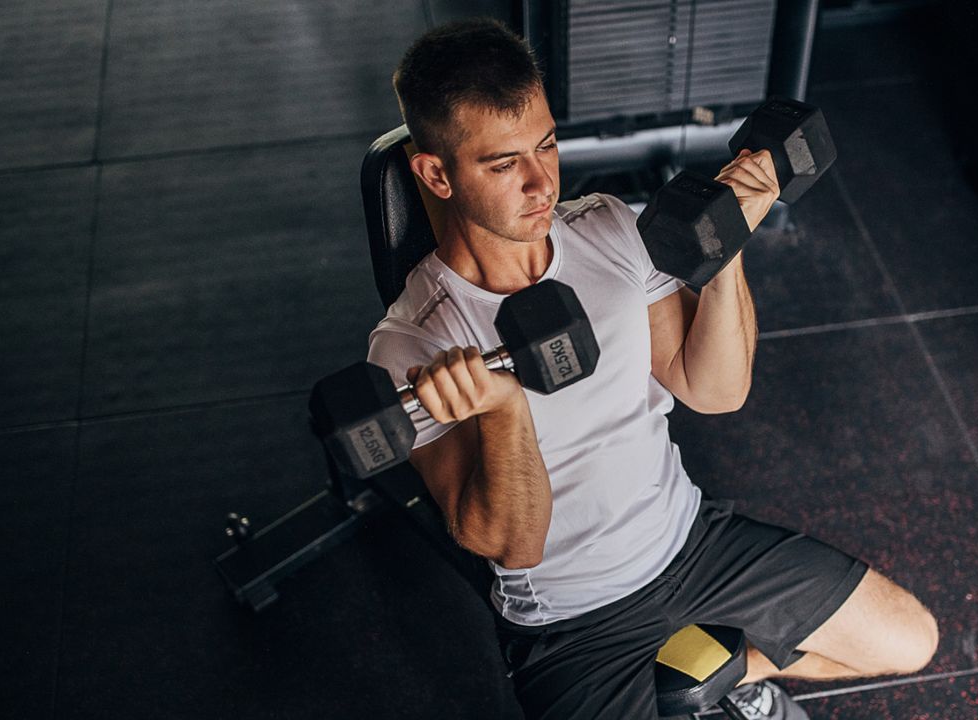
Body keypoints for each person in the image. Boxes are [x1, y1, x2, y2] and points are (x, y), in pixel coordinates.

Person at [367, 18, 938, 720]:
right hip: (570, 626)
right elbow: (510, 545)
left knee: (912, 638)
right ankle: (698, 685)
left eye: (547, 143)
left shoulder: (605, 226)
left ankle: (723, 676)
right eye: (503, 162)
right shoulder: (412, 344)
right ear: (436, 173)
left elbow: (715, 392)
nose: (542, 181)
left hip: (694, 545)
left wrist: (722, 252)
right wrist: (504, 409)